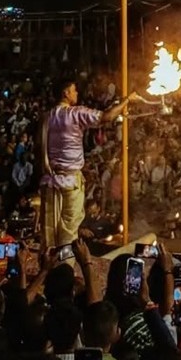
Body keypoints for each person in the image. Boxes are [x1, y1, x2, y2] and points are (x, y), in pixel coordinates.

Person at [40, 79, 138, 248]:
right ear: (66, 93)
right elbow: (106, 117)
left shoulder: (47, 117)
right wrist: (127, 100)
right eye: (74, 90)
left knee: (50, 231)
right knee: (68, 232)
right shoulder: (75, 113)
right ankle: (66, 263)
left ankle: (49, 261)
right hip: (69, 183)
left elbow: (39, 148)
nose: (77, 93)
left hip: (50, 183)